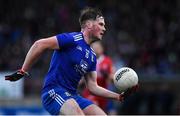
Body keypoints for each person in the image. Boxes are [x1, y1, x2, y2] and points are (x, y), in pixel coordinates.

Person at [5, 7, 138, 115]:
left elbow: (92, 87)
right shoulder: (72, 39)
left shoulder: (92, 56)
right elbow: (40, 44)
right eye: (101, 24)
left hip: (73, 95)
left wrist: (118, 96)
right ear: (89, 24)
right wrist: (23, 70)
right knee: (77, 114)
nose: (104, 28)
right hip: (53, 92)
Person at [82, 41, 115, 113]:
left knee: (111, 112)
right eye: (93, 47)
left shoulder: (107, 61)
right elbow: (82, 77)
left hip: (103, 93)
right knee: (94, 109)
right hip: (90, 92)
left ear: (102, 49)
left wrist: (107, 75)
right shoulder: (88, 60)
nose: (96, 49)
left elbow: (113, 77)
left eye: (97, 47)